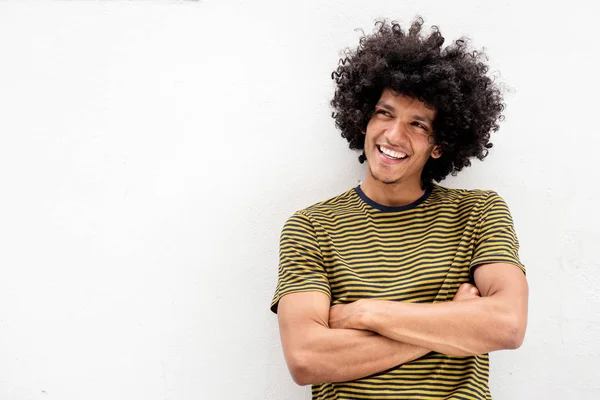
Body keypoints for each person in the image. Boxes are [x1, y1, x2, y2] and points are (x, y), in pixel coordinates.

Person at [270, 17, 528, 400]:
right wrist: (450, 325)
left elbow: (506, 326)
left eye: (418, 124)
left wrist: (364, 313)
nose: (393, 135)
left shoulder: (478, 212)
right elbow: (307, 359)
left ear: (439, 145)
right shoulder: (312, 227)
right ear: (363, 118)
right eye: (385, 113)